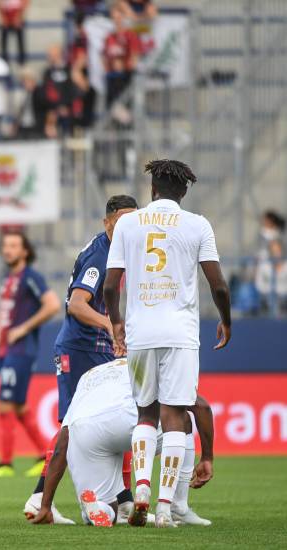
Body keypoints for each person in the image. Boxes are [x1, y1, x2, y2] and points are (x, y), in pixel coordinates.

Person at [103, 159, 231, 527]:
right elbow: (218, 285)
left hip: (141, 332)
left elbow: (111, 286)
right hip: (180, 334)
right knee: (175, 417)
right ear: (184, 190)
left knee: (146, 413)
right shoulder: (197, 225)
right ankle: (163, 508)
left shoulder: (128, 223)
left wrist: (117, 324)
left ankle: (140, 486)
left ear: (152, 189)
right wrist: (225, 320)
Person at [23, 195, 137, 523]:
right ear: (108, 223)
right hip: (80, 348)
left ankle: (123, 498)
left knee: (115, 417)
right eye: (122, 220)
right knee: (73, 427)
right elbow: (76, 303)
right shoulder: (101, 255)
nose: (129, 227)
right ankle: (40, 499)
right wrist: (112, 325)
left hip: (98, 348)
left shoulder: (118, 250)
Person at [29, 358, 215, 527]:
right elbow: (202, 406)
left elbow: (61, 446)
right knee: (180, 418)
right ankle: (178, 507)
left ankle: (99, 509)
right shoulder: (147, 360)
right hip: (131, 417)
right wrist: (207, 457)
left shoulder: (88, 375)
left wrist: (45, 506)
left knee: (108, 506)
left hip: (85, 428)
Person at [0, 231, 59, 478]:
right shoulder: (9, 279)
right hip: (7, 349)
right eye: (5, 245)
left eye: (14, 245)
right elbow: (4, 310)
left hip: (21, 349)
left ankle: (5, 462)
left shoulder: (30, 277)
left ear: (25, 251)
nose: (8, 250)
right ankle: (43, 455)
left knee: (5, 403)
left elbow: (53, 305)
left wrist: (24, 328)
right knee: (18, 405)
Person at [102, 6, 140, 107]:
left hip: (125, 78)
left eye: (118, 17)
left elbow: (135, 56)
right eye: (114, 18)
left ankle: (126, 120)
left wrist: (125, 66)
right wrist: (108, 67)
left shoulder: (130, 35)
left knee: (125, 106)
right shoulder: (109, 37)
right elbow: (105, 56)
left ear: (123, 17)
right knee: (112, 108)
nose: (116, 21)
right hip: (112, 78)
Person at [0, 0, 29, 65]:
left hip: (17, 13)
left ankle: (22, 61)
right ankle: (4, 60)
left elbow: (25, 2)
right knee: (4, 42)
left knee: (20, 40)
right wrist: (3, 17)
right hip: (6, 14)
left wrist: (19, 17)